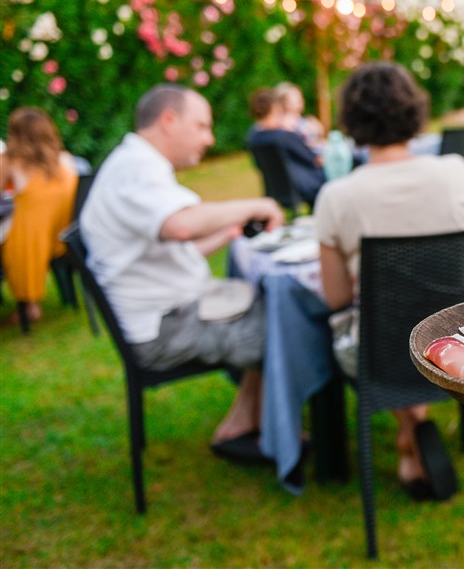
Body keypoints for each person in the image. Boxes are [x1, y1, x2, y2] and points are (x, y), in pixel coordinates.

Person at [80, 85, 285, 458]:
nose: (209, 139)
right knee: (289, 326)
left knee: (274, 306)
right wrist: (258, 204)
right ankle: (277, 434)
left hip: (168, 313)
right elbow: (180, 225)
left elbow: (171, 248)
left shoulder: (136, 164)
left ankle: (248, 418)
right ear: (168, 121)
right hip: (163, 329)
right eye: (202, 126)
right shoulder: (136, 170)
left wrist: (227, 232)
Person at [314, 62, 464, 500]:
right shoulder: (456, 171)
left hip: (383, 354)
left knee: (354, 331)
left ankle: (410, 430)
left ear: (351, 120)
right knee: (418, 321)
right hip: (463, 338)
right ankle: (415, 427)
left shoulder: (337, 196)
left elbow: (335, 297)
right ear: (413, 110)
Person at [0, 107, 78, 326]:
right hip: (63, 236)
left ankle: (28, 307)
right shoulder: (64, 160)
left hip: (27, 242)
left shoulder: (10, 161)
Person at [247, 87, 326, 206]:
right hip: (304, 186)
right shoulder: (284, 136)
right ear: (274, 108)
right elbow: (315, 160)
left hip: (275, 189)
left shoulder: (253, 137)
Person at [273, 82, 325, 151]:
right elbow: (296, 147)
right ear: (284, 101)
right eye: (295, 96)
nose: (300, 99)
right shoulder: (284, 124)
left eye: (300, 96)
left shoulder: (305, 121)